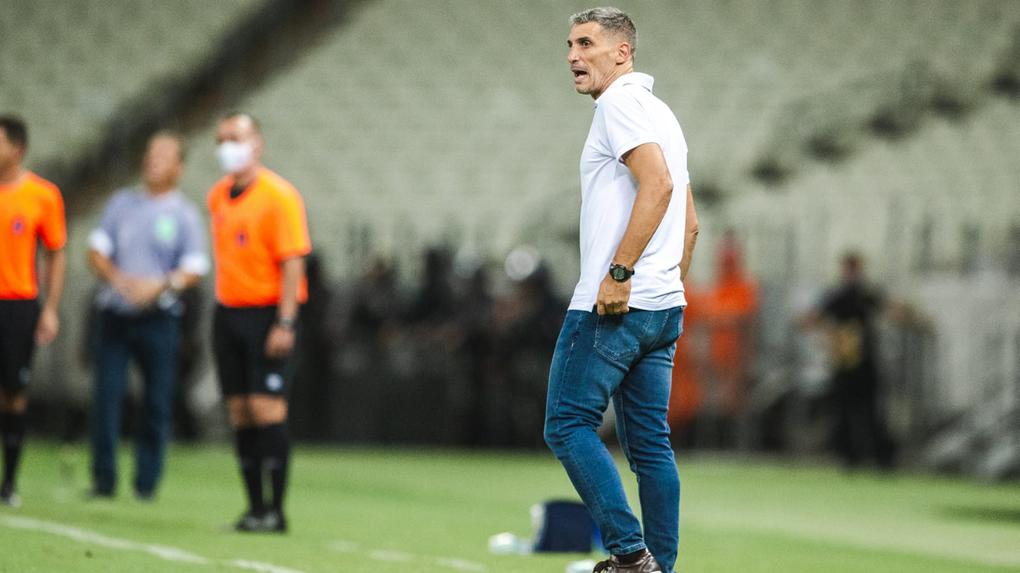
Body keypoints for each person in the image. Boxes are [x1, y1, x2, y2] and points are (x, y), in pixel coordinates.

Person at [543, 8, 699, 573]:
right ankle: (660, 567)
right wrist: (663, 285)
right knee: (650, 445)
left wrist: (621, 273)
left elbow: (656, 184)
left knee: (567, 423)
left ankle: (631, 556)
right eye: (569, 45)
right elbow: (690, 224)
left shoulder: (618, 105)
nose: (572, 56)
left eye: (586, 43)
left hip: (615, 303)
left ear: (622, 52)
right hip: (662, 306)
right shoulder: (663, 113)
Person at [86, 131, 208, 499]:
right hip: (116, 314)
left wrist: (160, 285)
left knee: (156, 401)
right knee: (107, 397)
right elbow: (96, 251)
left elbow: (195, 267)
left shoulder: (184, 214)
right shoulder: (121, 204)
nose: (152, 160)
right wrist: (118, 279)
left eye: (162, 155)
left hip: (159, 318)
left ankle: (146, 482)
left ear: (178, 167)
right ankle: (103, 479)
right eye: (150, 153)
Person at [208, 113, 310, 533]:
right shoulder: (217, 196)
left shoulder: (279, 196)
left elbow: (293, 262)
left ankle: (276, 511)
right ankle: (253, 507)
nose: (227, 146)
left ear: (257, 144)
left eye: (235, 137)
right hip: (228, 312)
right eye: (221, 139)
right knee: (240, 411)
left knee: (267, 408)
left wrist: (285, 321)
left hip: (267, 312)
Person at [0, 115, 67, 507]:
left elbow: (55, 253)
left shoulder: (43, 195)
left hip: (18, 305)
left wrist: (51, 308)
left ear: (17, 148)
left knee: (14, 392)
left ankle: (9, 482)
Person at [803, 252, 896, 469]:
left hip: (864, 360)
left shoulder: (866, 293)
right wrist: (827, 337)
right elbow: (813, 318)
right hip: (845, 361)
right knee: (846, 411)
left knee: (869, 411)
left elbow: (890, 310)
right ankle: (851, 456)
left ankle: (878, 456)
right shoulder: (838, 295)